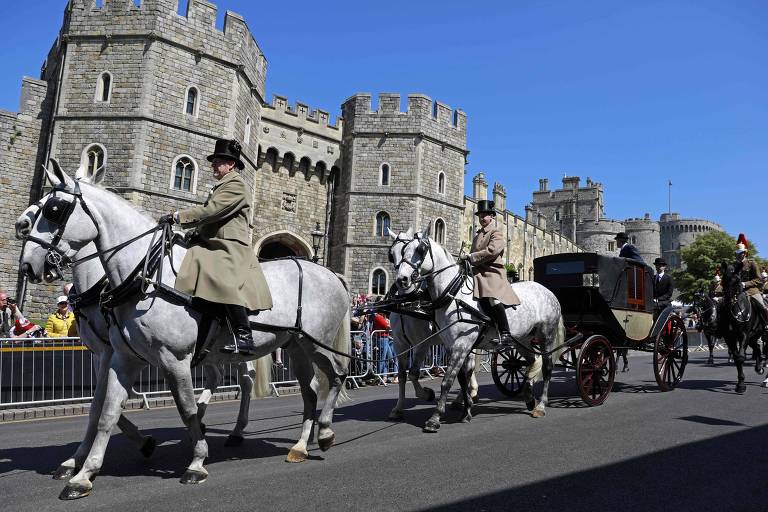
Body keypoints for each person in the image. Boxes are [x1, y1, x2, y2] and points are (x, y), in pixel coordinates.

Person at [158, 139, 273, 355]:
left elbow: (212, 211)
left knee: (222, 280)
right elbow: (211, 218)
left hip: (229, 245)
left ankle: (243, 335)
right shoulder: (222, 185)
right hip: (213, 241)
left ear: (231, 164)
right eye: (213, 162)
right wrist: (195, 232)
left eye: (217, 161)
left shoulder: (236, 185)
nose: (213, 165)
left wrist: (177, 217)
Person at [460, 199, 520, 346]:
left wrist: (471, 257)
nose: (482, 218)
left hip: (492, 272)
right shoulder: (477, 235)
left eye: (485, 215)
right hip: (476, 272)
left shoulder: (496, 232)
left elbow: (492, 251)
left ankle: (505, 333)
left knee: (492, 299)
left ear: (492, 216)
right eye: (480, 215)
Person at [734, 233, 768, 325]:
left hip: (752, 291)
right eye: (736, 253)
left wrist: (745, 284)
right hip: (737, 292)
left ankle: (766, 326)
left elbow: (759, 279)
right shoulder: (734, 265)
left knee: (762, 306)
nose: (738, 255)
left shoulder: (752, 264)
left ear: (744, 253)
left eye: (740, 253)